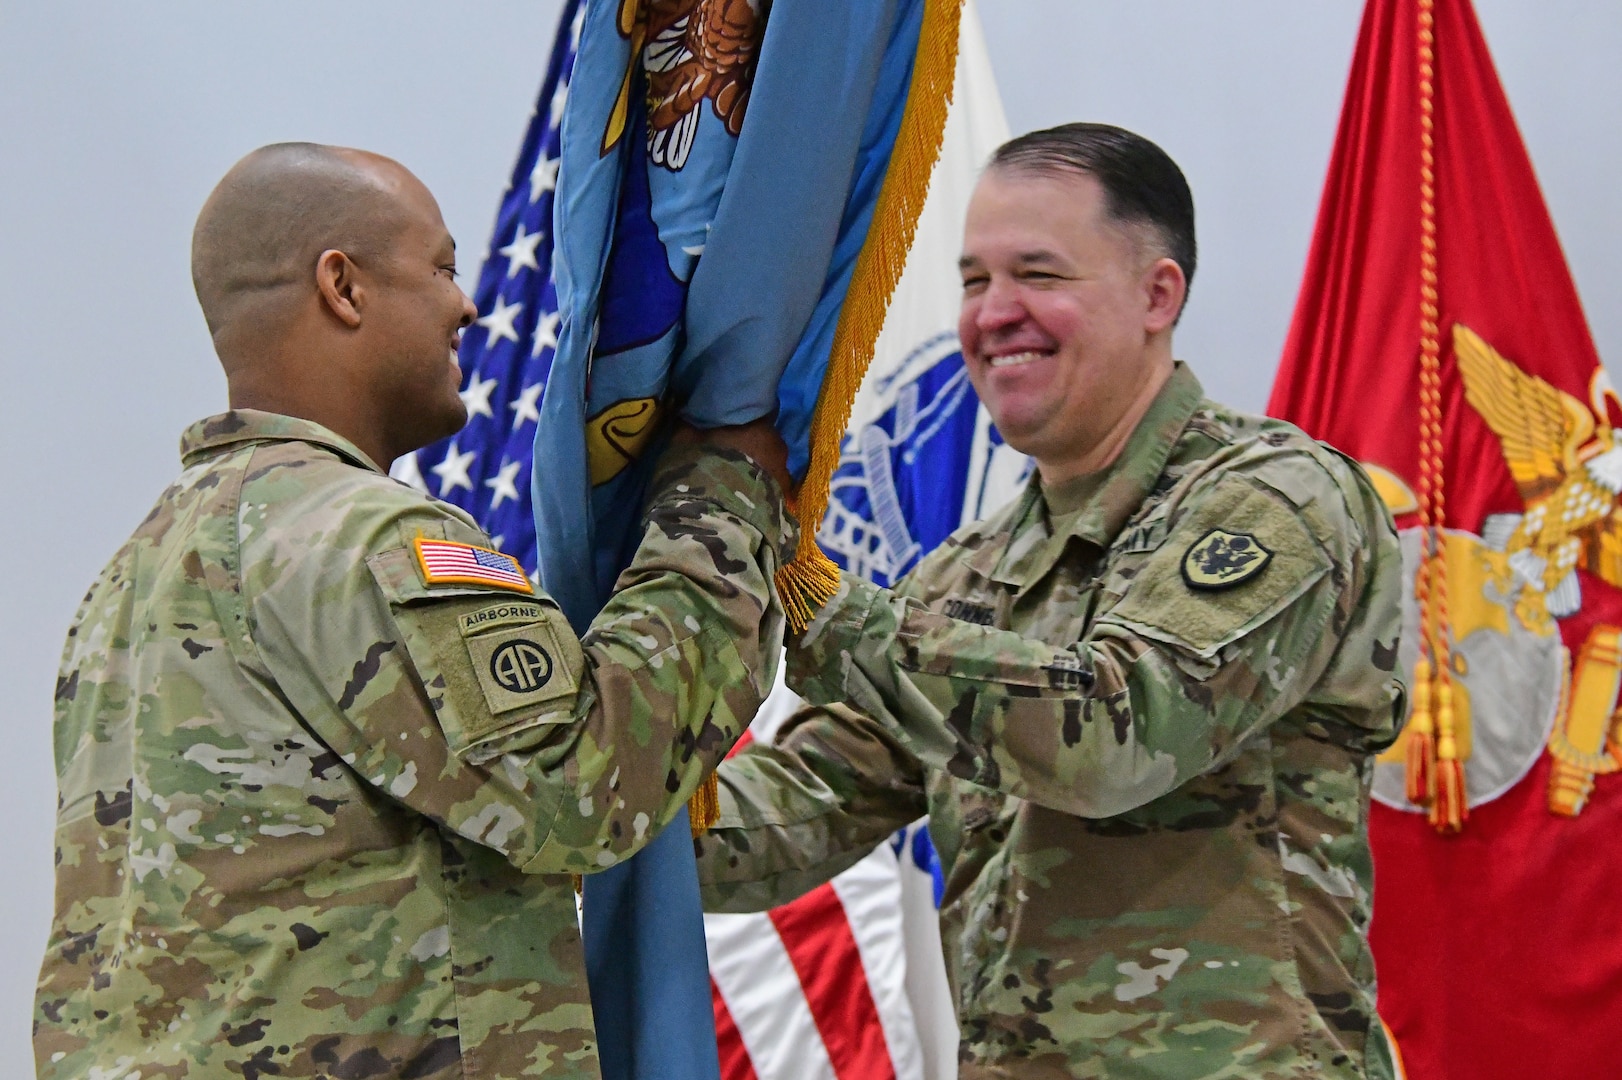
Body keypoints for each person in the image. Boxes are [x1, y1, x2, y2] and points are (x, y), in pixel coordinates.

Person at [36, 143, 793, 1080]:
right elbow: (586, 781)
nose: (467, 305)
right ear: (341, 287)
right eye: (439, 268)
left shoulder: (127, 579)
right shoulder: (370, 541)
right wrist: (721, 502)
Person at [697, 123, 1406, 1079]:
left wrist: (817, 601)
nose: (995, 314)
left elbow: (1118, 730)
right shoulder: (963, 574)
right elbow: (809, 802)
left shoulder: (1280, 500)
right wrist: (597, 805)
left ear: (1159, 293)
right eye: (975, 281)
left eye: (1038, 274)